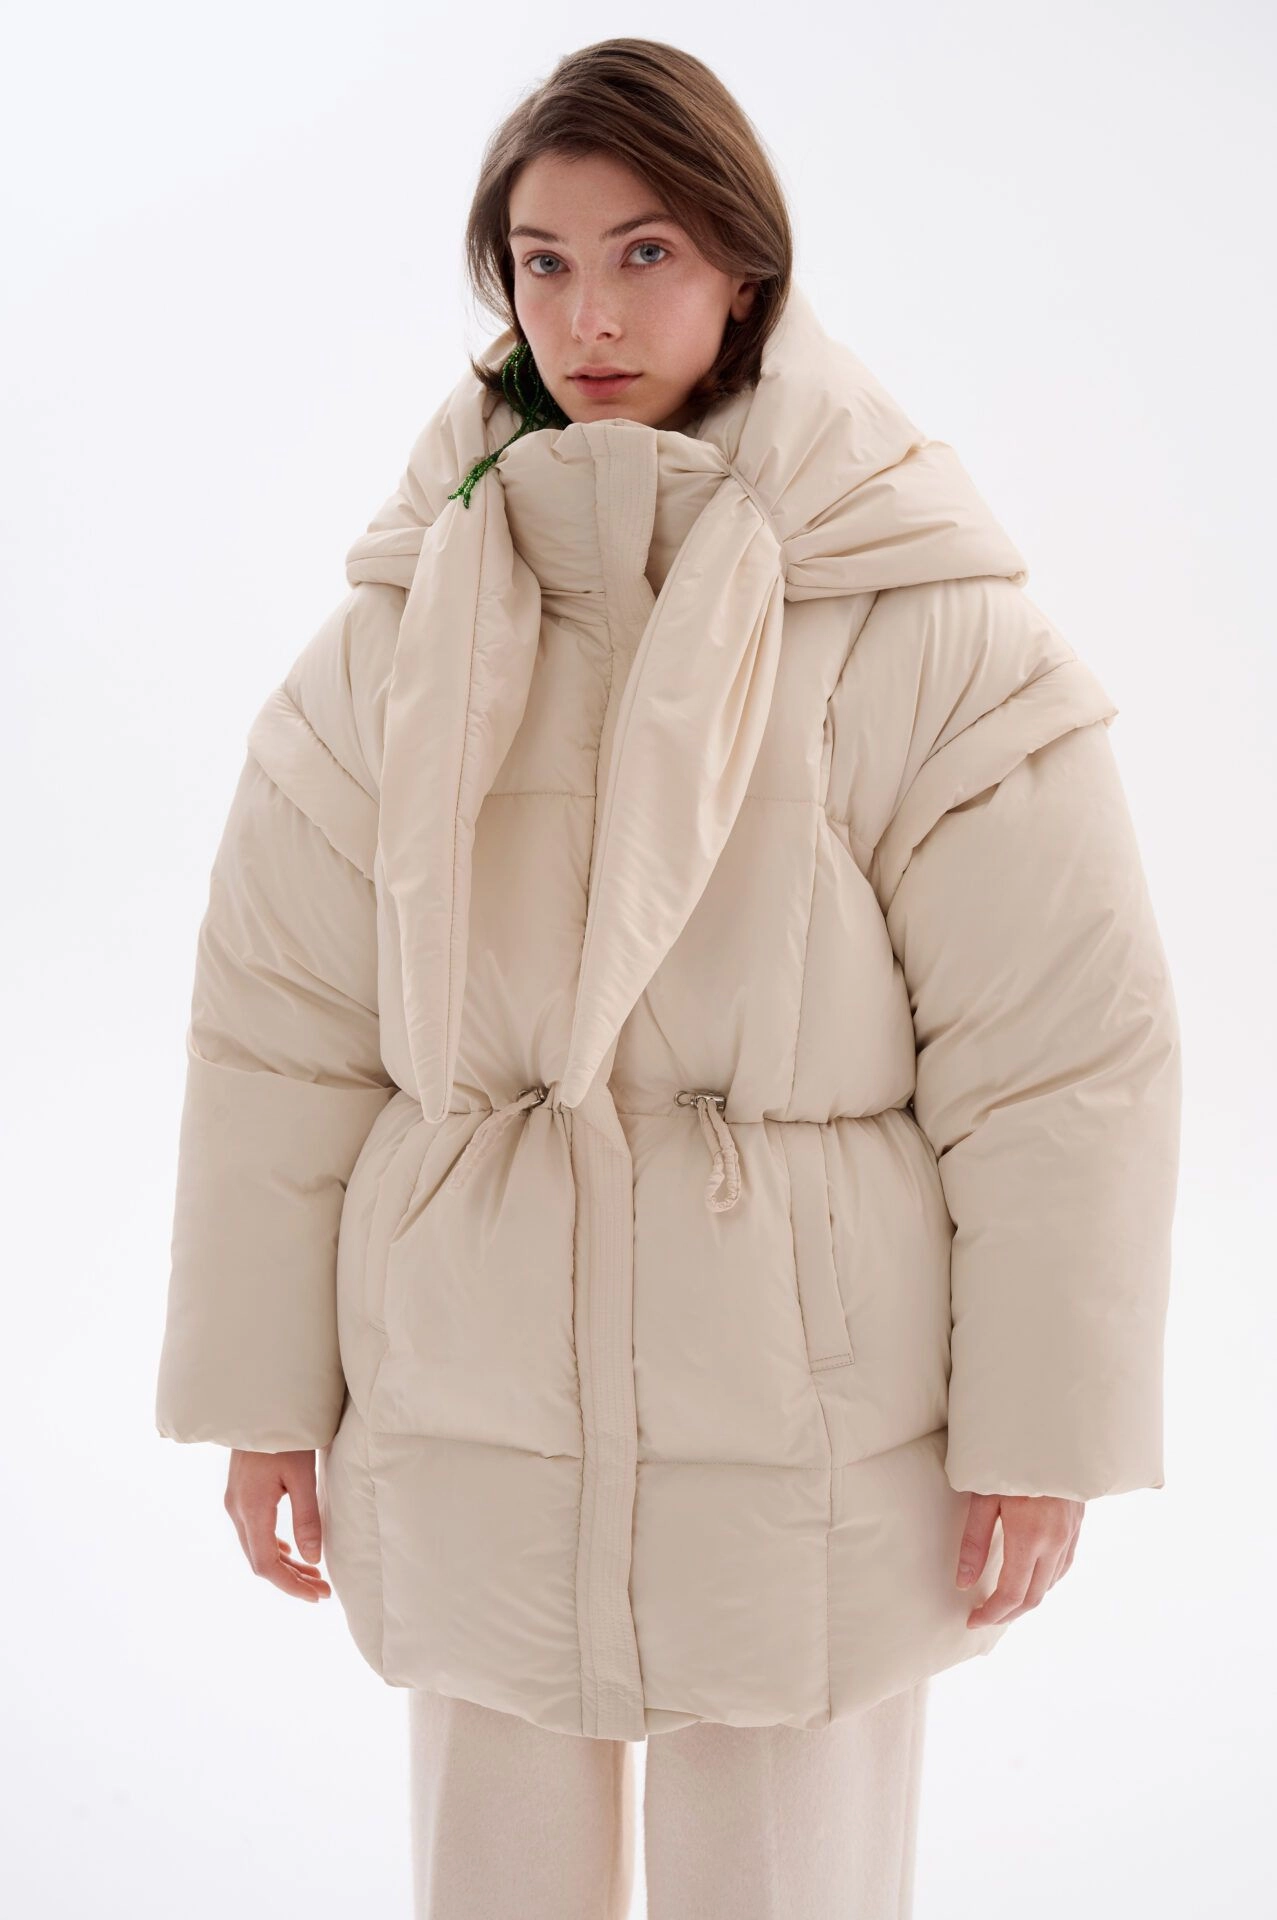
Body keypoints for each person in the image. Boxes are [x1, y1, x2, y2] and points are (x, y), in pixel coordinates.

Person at [154, 36, 1182, 1920]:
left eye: (645, 253)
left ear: (742, 268)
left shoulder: (923, 622)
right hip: (467, 1369)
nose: (591, 315)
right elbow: (277, 1038)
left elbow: (1061, 1052)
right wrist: (262, 1396)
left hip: (804, 1395)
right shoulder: (392, 635)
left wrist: (1043, 1427)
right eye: (542, 263)